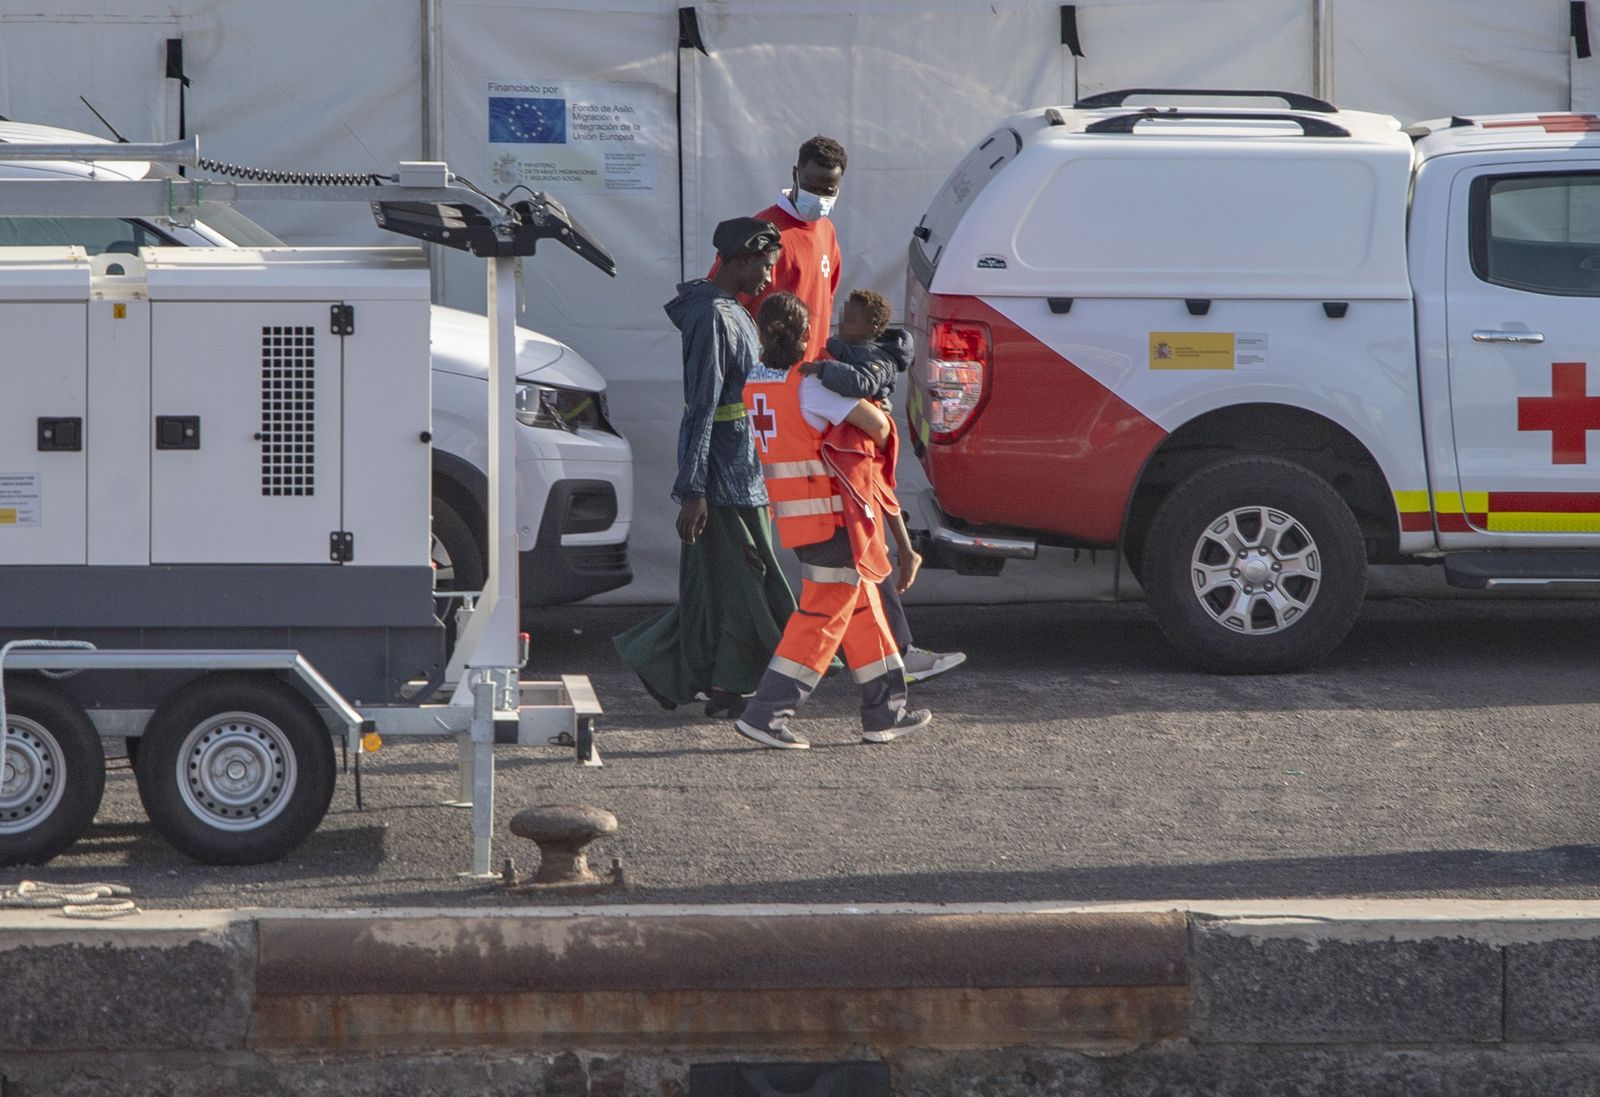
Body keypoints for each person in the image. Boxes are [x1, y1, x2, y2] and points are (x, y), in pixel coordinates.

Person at [717, 135, 965, 684]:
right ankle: (879, 657)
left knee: (848, 539)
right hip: (798, 404)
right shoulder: (767, 233)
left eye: (830, 188)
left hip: (818, 398)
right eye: (812, 184)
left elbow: (819, 316)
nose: (821, 195)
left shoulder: (825, 231)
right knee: (849, 532)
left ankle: (884, 657)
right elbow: (736, 305)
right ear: (794, 173)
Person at [613, 218, 795, 720]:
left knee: (727, 589)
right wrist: (693, 490)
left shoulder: (733, 311)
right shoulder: (710, 317)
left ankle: (722, 687)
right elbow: (702, 405)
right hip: (722, 484)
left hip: (744, 475)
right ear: (740, 259)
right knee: (746, 589)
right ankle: (706, 677)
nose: (768, 278)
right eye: (764, 266)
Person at [734, 292, 930, 750]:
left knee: (863, 609)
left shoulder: (755, 383)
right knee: (820, 618)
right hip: (833, 520)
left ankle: (886, 713)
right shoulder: (812, 386)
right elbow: (878, 428)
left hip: (799, 519)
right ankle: (766, 714)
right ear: (806, 336)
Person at [800, 288, 921, 594]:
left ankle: (904, 552)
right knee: (878, 491)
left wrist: (824, 369)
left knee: (878, 491)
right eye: (843, 315)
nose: (842, 322)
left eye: (851, 319)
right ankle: (904, 552)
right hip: (853, 424)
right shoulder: (846, 346)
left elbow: (861, 383)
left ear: (872, 328)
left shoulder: (879, 357)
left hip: (867, 427)